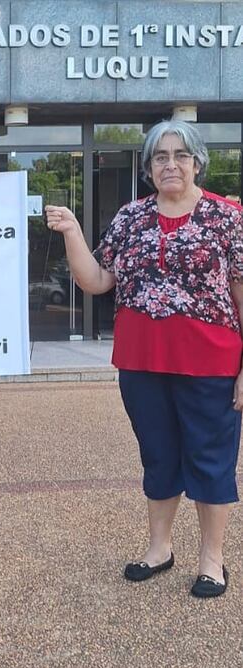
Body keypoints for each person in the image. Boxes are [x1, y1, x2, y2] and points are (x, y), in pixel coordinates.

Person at [46, 119, 243, 599]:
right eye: (159, 156)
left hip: (211, 360)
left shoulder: (227, 217)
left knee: (210, 457)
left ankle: (212, 561)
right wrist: (72, 231)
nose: (170, 164)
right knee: (158, 455)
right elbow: (97, 280)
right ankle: (159, 549)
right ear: (149, 168)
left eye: (180, 155)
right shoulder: (130, 218)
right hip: (141, 360)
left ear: (198, 162)